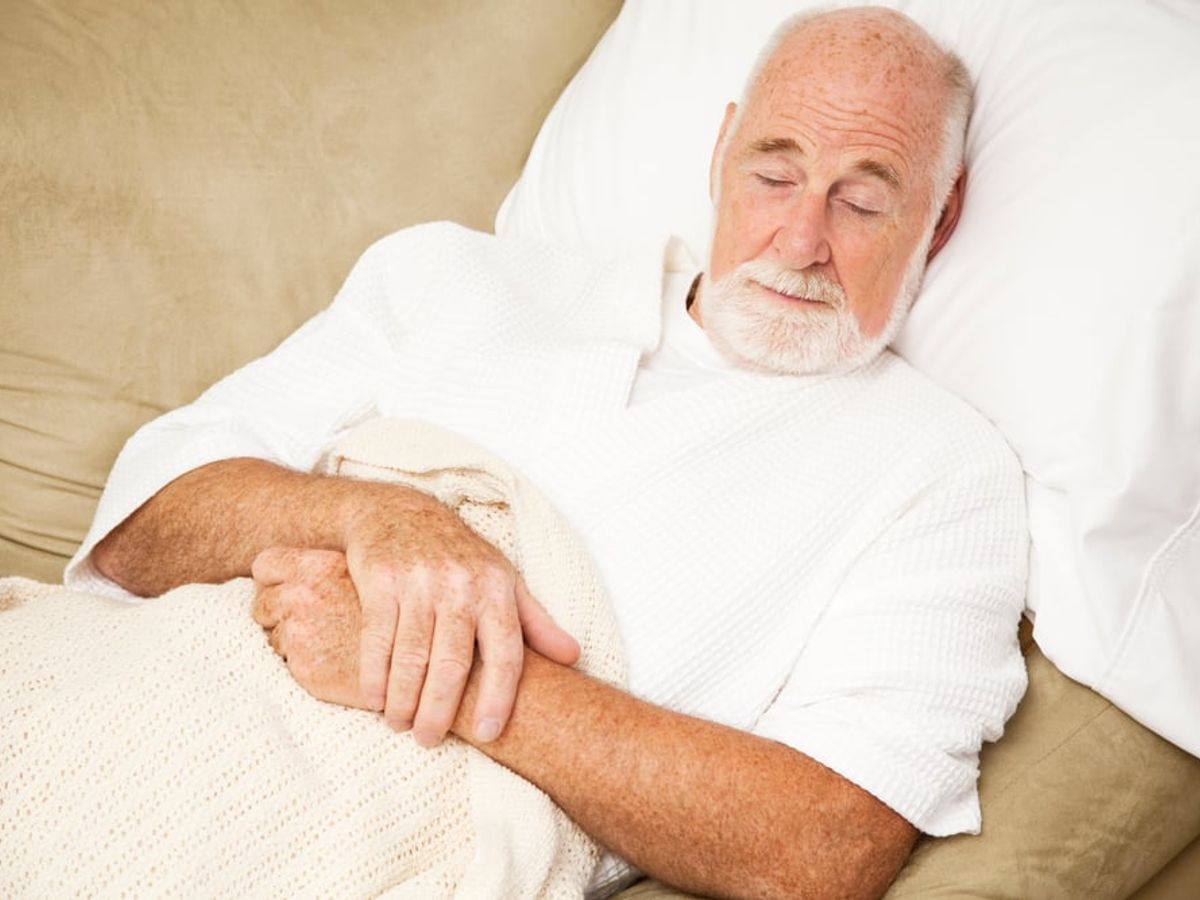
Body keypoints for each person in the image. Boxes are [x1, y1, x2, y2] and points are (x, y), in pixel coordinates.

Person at [68, 8, 1028, 899]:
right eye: (774, 177)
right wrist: (376, 519)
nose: (802, 238)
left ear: (941, 217)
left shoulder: (941, 470)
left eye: (862, 202)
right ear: (720, 151)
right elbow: (138, 523)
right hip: (111, 702)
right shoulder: (455, 274)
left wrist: (443, 664)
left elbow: (828, 842)